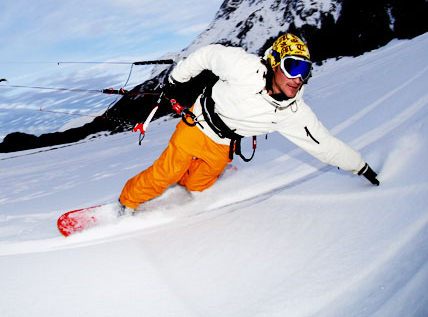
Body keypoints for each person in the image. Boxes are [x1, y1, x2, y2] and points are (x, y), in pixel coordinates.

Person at [119, 33, 379, 212]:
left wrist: (361, 167)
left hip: (223, 143)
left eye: (304, 70)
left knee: (200, 184)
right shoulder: (243, 68)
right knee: (166, 172)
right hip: (197, 125)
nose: (297, 78)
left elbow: (325, 144)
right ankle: (127, 203)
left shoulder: (293, 113)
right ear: (275, 62)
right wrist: (177, 79)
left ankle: (188, 177)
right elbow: (208, 55)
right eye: (292, 67)